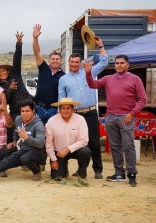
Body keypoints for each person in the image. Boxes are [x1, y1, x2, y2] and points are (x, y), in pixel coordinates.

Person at [85, 55, 147, 187]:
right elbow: (92, 84)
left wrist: (132, 113)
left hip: (126, 117)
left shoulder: (135, 79)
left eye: (122, 63)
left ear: (128, 65)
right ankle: (119, 172)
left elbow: (142, 99)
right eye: (117, 63)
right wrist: (88, 73)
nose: (119, 65)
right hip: (111, 116)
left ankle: (131, 174)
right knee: (115, 146)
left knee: (128, 145)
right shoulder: (109, 79)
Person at [58, 36, 108, 179]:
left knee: (94, 141)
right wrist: (60, 115)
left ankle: (98, 170)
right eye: (72, 62)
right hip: (75, 115)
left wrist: (100, 46)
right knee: (76, 143)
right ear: (68, 63)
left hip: (91, 113)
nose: (74, 64)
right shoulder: (63, 79)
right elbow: (61, 98)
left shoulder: (89, 72)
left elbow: (104, 62)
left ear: (80, 63)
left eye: (77, 62)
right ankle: (81, 170)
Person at [0, 31, 33, 148]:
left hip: (29, 106)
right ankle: (12, 151)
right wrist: (9, 89)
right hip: (15, 111)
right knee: (14, 130)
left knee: (33, 128)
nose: (2, 72)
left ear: (8, 71)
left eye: (4, 70)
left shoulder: (16, 75)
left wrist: (19, 45)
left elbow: (17, 60)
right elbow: (6, 101)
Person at [45, 98, 91, 185]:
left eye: (68, 108)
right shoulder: (51, 121)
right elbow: (49, 143)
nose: (66, 110)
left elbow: (84, 140)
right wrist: (53, 159)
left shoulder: (80, 119)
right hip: (59, 152)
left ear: (73, 109)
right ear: (59, 109)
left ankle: (82, 174)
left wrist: (68, 149)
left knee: (86, 151)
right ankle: (64, 169)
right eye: (63, 108)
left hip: (76, 150)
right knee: (57, 177)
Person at [32, 24, 65, 124]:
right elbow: (37, 52)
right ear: (49, 61)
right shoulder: (43, 68)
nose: (55, 61)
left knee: (52, 135)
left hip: (53, 110)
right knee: (38, 134)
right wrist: (35, 38)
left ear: (61, 61)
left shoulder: (64, 76)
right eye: (53, 59)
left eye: (57, 59)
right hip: (38, 108)